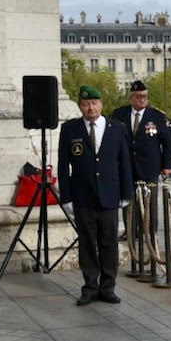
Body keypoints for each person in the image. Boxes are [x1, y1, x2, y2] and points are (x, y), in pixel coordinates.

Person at [60, 86, 132, 305]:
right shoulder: (70, 129)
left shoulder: (117, 128)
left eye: (93, 103)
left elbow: (125, 163)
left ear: (101, 104)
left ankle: (108, 287)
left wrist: (125, 193)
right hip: (83, 196)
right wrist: (67, 197)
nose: (89, 107)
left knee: (109, 242)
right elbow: (63, 166)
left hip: (110, 195)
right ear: (80, 106)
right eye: (85, 104)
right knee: (87, 243)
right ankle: (90, 287)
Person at [111, 80, 171, 253]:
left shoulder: (157, 116)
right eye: (138, 97)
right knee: (128, 202)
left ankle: (150, 232)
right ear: (131, 97)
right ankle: (130, 232)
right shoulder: (119, 114)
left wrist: (166, 165)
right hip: (126, 167)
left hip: (150, 167)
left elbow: (167, 142)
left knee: (150, 203)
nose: (141, 100)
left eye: (144, 97)